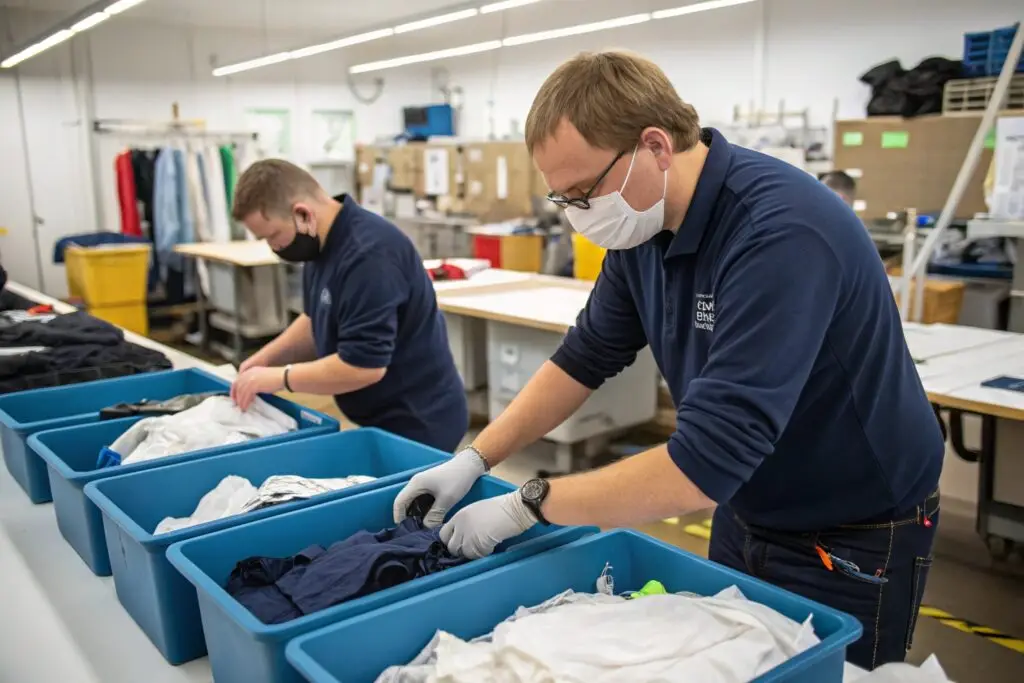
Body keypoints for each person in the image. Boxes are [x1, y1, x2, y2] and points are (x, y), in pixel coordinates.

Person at [393, 50, 943, 671]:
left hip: (852, 524)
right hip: (747, 505)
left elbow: (706, 461)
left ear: (654, 146)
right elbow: (584, 357)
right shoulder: (643, 230)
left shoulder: (779, 233)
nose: (577, 216)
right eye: (562, 199)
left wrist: (529, 502)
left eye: (582, 192)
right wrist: (476, 456)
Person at [229, 160, 468, 452]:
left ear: (302, 214)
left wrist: (280, 377)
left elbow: (364, 366)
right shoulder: (319, 243)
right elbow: (316, 319)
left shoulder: (369, 257)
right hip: (376, 417)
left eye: (272, 236)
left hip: (418, 423)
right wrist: (264, 359)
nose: (274, 248)